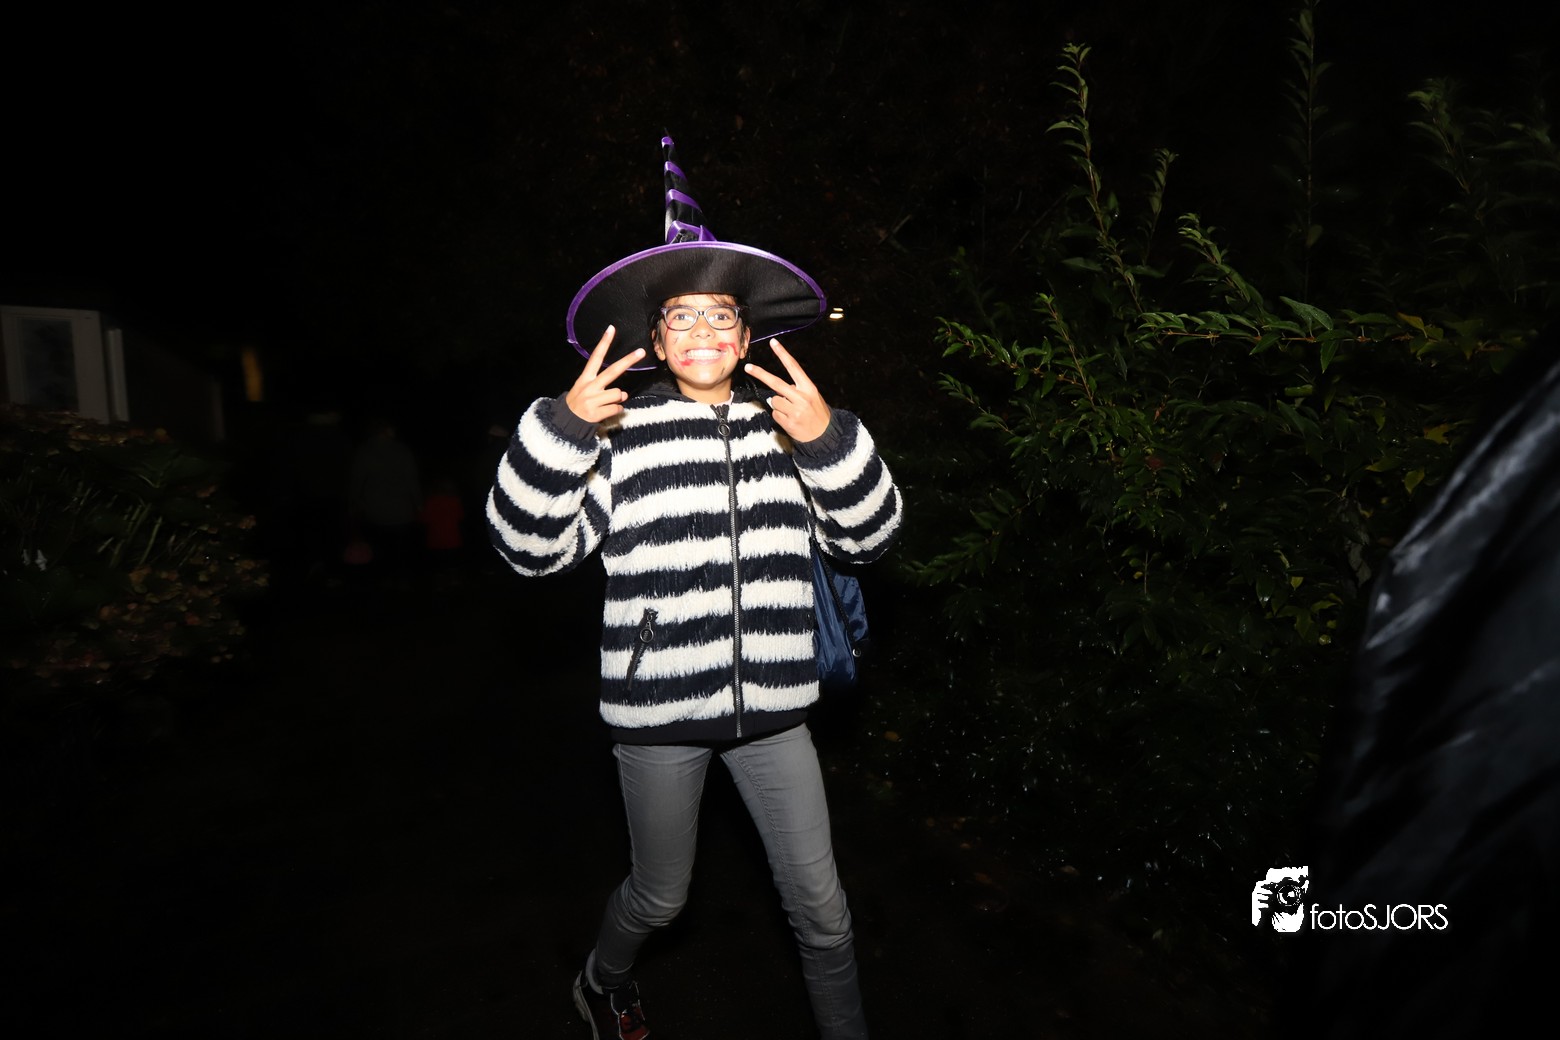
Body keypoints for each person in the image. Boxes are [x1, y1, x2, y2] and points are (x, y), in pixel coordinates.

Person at [486, 137, 902, 1040]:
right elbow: (528, 551)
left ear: (748, 337)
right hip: (658, 717)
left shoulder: (793, 428)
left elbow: (870, 538)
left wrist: (828, 440)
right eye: (682, 316)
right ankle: (603, 979)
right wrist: (561, 430)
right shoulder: (617, 437)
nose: (704, 331)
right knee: (660, 896)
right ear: (655, 338)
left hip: (777, 715)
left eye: (722, 315)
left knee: (824, 911)